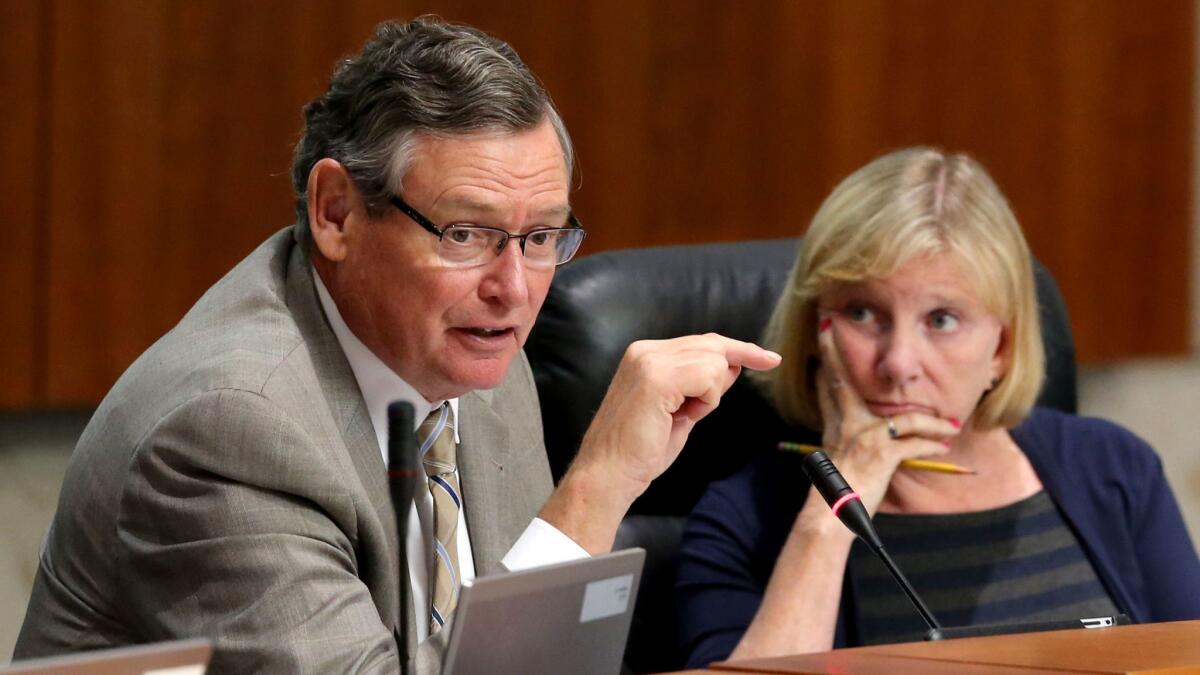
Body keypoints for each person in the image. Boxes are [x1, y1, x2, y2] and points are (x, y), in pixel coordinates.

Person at [14, 17, 780, 674]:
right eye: (466, 233)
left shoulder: (474, 354)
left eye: (541, 236)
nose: (513, 288)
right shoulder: (227, 431)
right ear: (337, 213)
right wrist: (600, 484)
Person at [676, 147, 1200, 666]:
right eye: (862, 312)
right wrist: (831, 510)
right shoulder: (741, 516)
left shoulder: (1114, 468)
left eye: (942, 319)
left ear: (1001, 348)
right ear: (816, 332)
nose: (899, 363)